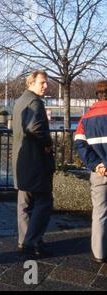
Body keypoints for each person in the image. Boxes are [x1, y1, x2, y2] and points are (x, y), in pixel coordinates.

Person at [12, 70, 55, 257]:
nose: (46, 86)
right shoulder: (35, 102)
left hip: (21, 163)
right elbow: (34, 127)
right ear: (31, 83)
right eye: (42, 83)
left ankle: (24, 240)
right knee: (44, 202)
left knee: (24, 203)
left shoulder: (20, 101)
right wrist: (47, 143)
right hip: (36, 162)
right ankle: (33, 241)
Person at [75, 80, 107, 263]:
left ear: (97, 95)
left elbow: (80, 144)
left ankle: (99, 253)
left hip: (99, 173)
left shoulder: (86, 118)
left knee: (100, 212)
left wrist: (96, 164)